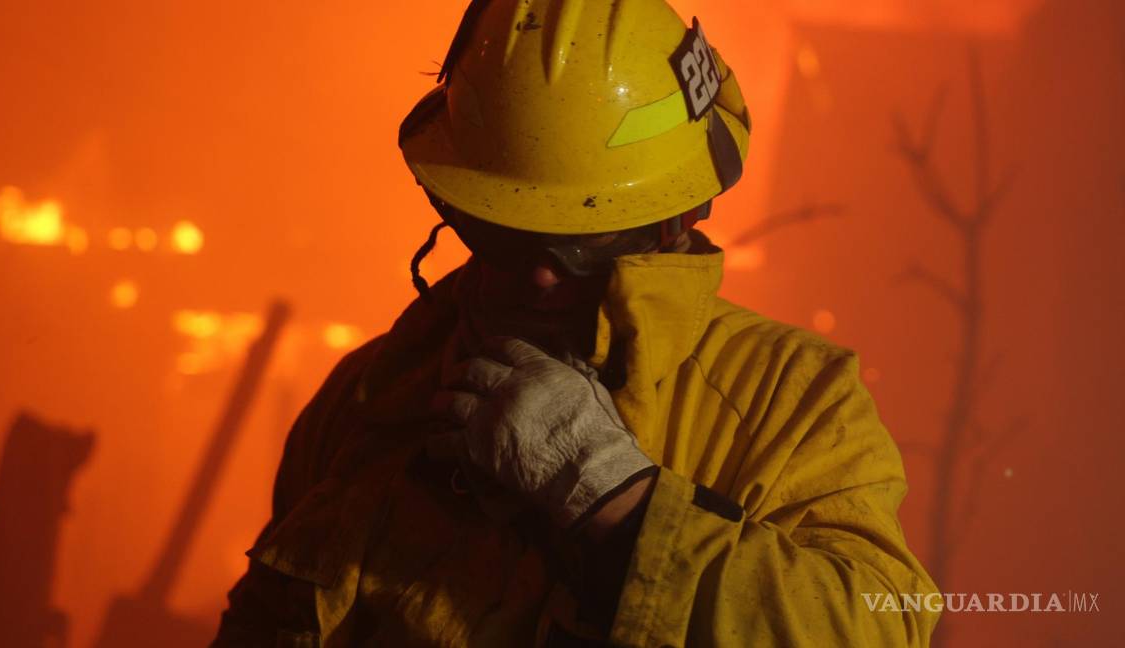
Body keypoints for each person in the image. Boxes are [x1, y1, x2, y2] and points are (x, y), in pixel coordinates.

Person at [212, 0, 940, 646]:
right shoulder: (370, 396)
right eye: (506, 232)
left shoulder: (792, 401)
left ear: (675, 221)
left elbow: (877, 628)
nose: (541, 275)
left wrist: (617, 499)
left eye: (589, 240)